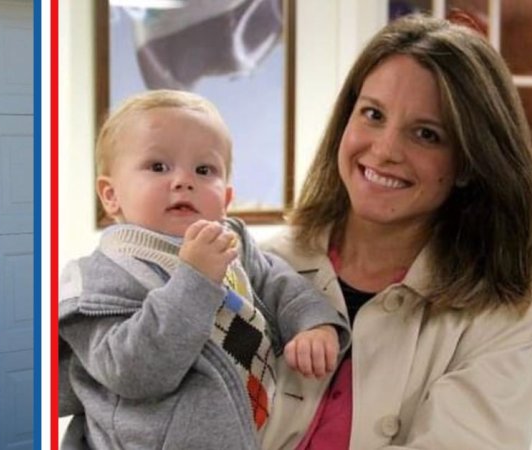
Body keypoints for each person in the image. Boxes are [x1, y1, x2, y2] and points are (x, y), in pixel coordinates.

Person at [260, 14, 532, 449]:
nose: (385, 150)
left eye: (426, 134)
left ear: (468, 162)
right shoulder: (263, 266)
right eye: (372, 114)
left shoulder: (506, 320)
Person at [58, 89, 350, 449]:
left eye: (204, 169)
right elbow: (133, 372)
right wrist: (194, 281)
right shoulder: (100, 279)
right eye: (158, 166)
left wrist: (313, 324)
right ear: (110, 194)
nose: (184, 180)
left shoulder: (232, 244)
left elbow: (281, 285)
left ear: (226, 199)